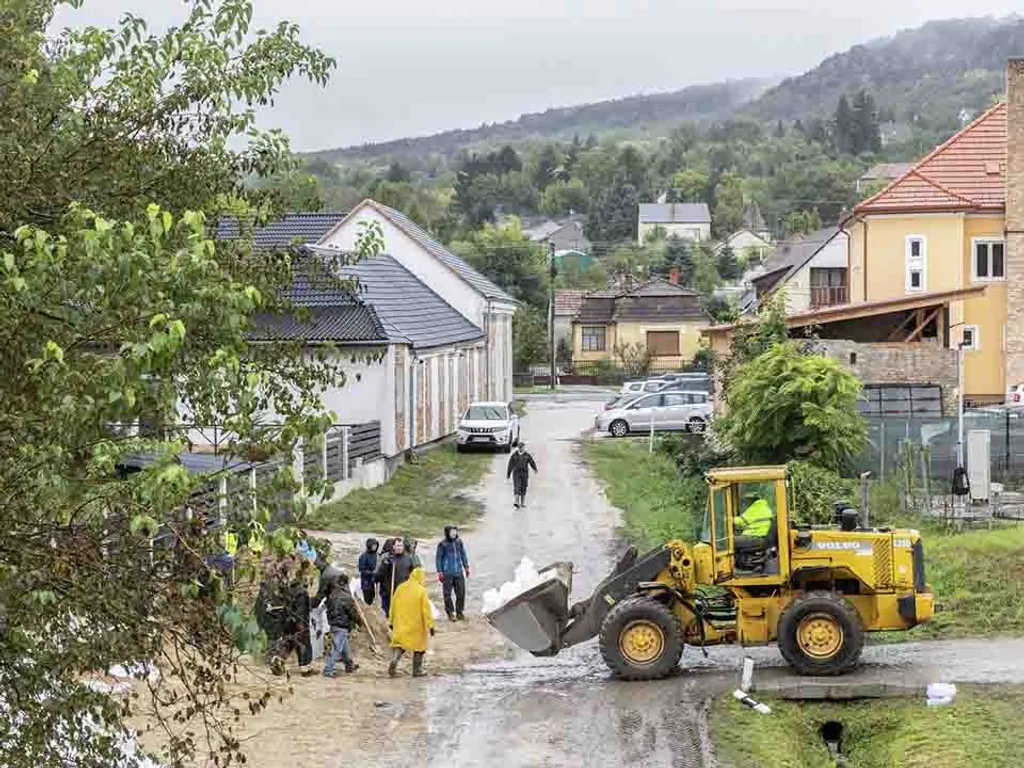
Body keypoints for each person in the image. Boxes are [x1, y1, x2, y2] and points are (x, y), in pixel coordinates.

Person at [388, 567, 435, 678]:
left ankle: (394, 660)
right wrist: (431, 626)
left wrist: (391, 621)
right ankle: (416, 670)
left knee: (399, 645)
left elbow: (393, 606)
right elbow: (426, 611)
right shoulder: (421, 591)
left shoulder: (400, 588)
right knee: (419, 648)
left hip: (400, 624)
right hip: (416, 626)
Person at [323, 572, 361, 677]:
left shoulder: (332, 595)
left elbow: (328, 610)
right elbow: (353, 613)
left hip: (333, 624)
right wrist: (359, 622)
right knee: (336, 649)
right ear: (346, 583)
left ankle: (349, 665)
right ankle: (328, 670)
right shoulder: (346, 597)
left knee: (344, 647)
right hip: (342, 625)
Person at [435, 525, 470, 621]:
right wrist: (440, 572)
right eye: (452, 532)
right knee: (447, 594)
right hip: (447, 573)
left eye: (455, 531)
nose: (454, 533)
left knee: (461, 593)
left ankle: (459, 612)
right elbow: (438, 558)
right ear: (447, 533)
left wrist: (466, 567)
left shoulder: (459, 542)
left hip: (458, 572)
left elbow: (463, 554)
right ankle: (450, 613)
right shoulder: (442, 544)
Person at [376, 537, 415, 618]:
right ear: (393, 546)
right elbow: (379, 575)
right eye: (397, 546)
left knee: (401, 613)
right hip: (388, 591)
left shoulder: (409, 558)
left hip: (403, 590)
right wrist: (385, 565)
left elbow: (414, 573)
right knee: (389, 613)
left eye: (401, 546)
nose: (399, 548)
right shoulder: (387, 558)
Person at [506, 441, 539, 508]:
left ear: (524, 448)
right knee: (517, 487)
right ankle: (516, 502)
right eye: (520, 447)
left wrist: (535, 469)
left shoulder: (527, 455)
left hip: (524, 473)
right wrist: (508, 474)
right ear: (518, 448)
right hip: (516, 473)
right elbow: (510, 465)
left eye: (523, 447)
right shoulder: (514, 455)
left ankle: (522, 503)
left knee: (524, 487)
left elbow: (532, 462)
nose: (521, 449)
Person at [358, 538, 379, 605]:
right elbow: (361, 570)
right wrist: (373, 573)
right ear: (369, 546)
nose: (375, 547)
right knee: (367, 599)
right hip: (365, 581)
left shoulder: (375, 555)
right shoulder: (363, 556)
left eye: (376, 545)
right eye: (374, 545)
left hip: (372, 580)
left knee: (373, 596)